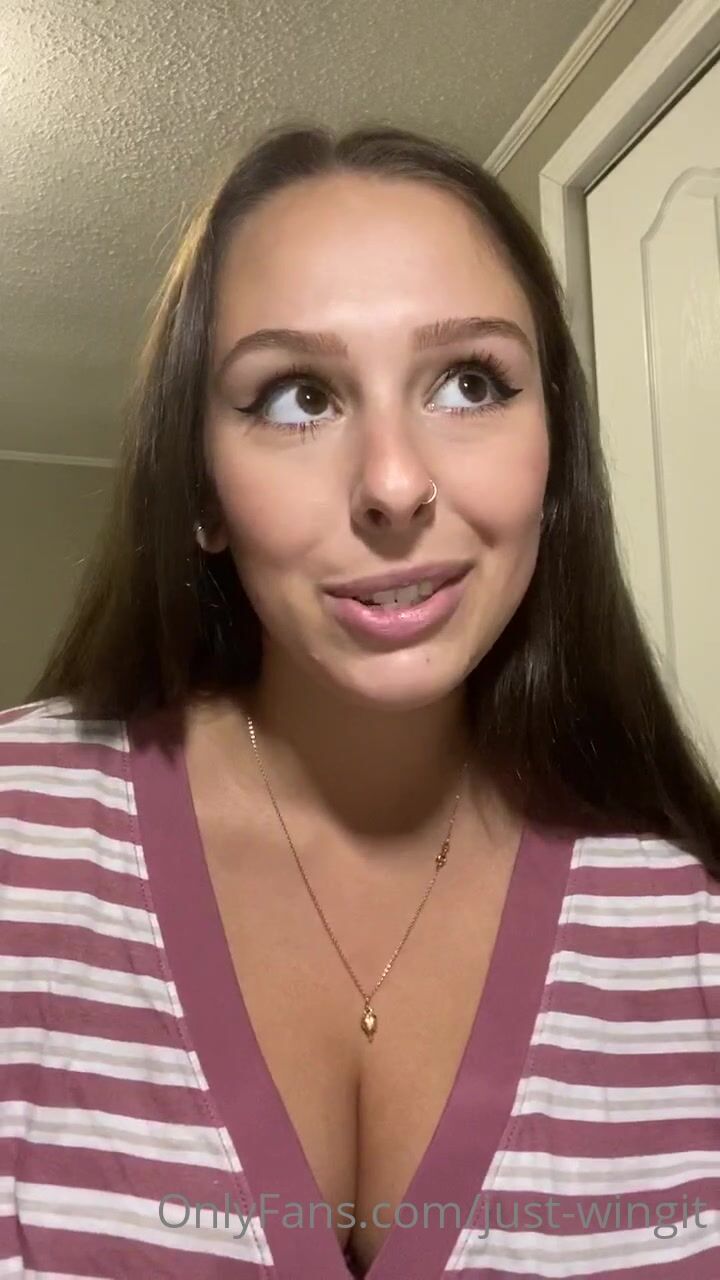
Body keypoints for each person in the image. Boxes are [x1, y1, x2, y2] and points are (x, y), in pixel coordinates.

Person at [2, 121, 719, 1280]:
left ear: (555, 453)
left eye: (470, 382)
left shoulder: (686, 922)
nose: (393, 483)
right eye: (297, 397)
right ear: (201, 491)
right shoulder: (20, 838)